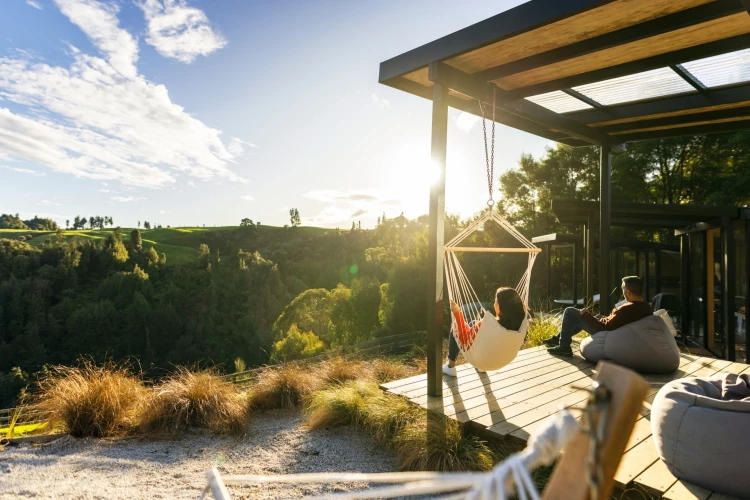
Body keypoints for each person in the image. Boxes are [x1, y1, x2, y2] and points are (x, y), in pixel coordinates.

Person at [546, 276, 653, 356]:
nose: (622, 291)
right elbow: (616, 321)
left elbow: (604, 327)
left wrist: (588, 316)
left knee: (570, 312)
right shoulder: (645, 306)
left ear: (628, 292)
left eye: (623, 288)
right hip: (611, 330)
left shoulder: (628, 308)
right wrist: (599, 317)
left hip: (604, 333)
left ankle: (564, 346)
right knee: (582, 315)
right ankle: (559, 338)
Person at [442, 287, 526, 376]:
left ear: (500, 307)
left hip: (481, 360)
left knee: (456, 325)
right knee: (473, 323)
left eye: (496, 301)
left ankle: (450, 366)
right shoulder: (521, 324)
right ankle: (481, 369)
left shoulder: (487, 325)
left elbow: (464, 340)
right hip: (503, 359)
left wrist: (457, 313)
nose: (494, 304)